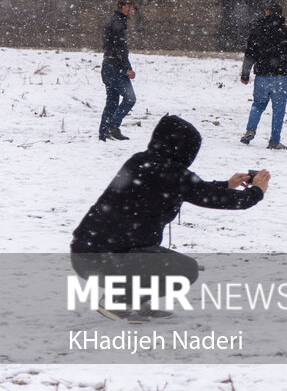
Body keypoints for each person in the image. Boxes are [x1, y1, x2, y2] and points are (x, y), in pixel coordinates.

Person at [71, 114, 270, 320]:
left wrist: (226, 185)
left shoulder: (141, 161)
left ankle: (135, 300)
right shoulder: (172, 174)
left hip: (85, 253)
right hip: (104, 260)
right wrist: (256, 192)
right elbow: (209, 196)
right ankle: (116, 300)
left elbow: (192, 189)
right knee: (186, 270)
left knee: (155, 257)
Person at [239, 2, 287, 150]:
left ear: (267, 13)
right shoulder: (286, 31)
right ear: (281, 14)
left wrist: (245, 74)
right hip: (280, 77)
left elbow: (249, 55)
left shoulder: (257, 31)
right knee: (279, 110)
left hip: (261, 76)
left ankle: (250, 130)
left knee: (257, 105)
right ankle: (274, 141)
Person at [99, 0, 137, 141]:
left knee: (112, 102)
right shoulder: (118, 22)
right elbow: (120, 47)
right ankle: (113, 126)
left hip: (107, 66)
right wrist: (127, 68)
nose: (133, 11)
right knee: (130, 98)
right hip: (115, 68)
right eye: (132, 7)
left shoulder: (114, 20)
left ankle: (103, 133)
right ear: (124, 7)